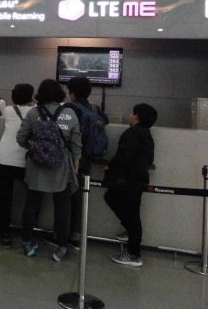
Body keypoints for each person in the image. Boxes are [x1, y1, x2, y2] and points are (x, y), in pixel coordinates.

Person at [16, 79, 81, 261]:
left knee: (31, 204)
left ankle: (27, 243)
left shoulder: (33, 113)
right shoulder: (69, 113)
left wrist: (34, 148)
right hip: (61, 167)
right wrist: (75, 166)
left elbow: (21, 138)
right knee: (62, 207)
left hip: (36, 166)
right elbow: (76, 144)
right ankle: (62, 247)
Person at [104, 103, 158, 267]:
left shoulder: (132, 133)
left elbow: (123, 156)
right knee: (131, 212)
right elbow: (149, 159)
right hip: (139, 179)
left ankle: (134, 254)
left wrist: (110, 167)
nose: (130, 116)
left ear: (137, 116)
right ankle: (130, 231)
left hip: (128, 180)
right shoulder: (147, 134)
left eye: (132, 113)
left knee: (126, 210)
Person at [63, 76, 109, 249]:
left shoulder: (70, 108)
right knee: (79, 197)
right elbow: (106, 120)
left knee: (65, 196)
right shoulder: (95, 108)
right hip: (88, 158)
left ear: (72, 93)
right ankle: (76, 234)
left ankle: (62, 235)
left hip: (71, 159)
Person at [0, 83, 34, 247]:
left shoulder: (8, 110)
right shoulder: (35, 111)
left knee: (4, 198)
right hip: (24, 161)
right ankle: (27, 234)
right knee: (32, 198)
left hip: (3, 159)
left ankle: (5, 234)